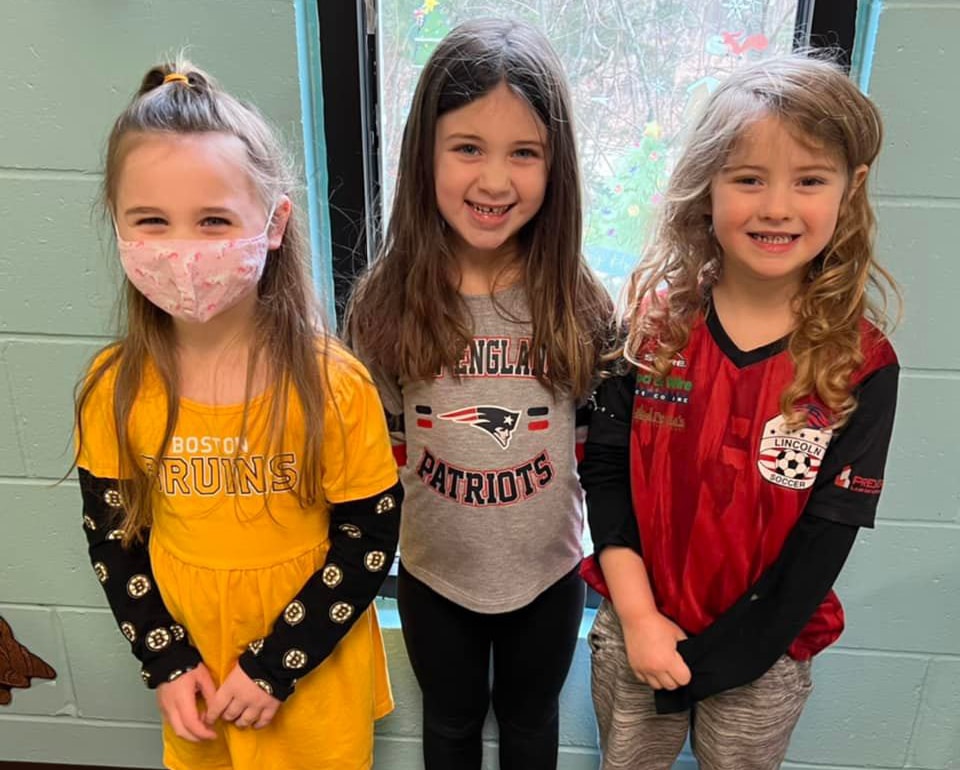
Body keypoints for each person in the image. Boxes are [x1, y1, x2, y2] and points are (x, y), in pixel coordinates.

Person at [73, 60, 402, 770]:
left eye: (214, 220)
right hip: (196, 680)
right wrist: (163, 658)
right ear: (120, 228)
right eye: (152, 222)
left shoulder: (332, 387)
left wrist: (275, 666)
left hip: (308, 680)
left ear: (273, 223)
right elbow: (112, 542)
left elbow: (369, 539)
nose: (184, 249)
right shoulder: (116, 389)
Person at [579, 54, 900, 770]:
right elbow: (604, 475)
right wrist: (639, 620)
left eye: (809, 180)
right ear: (706, 190)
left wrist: (721, 660)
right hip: (639, 632)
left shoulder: (864, 367)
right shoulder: (647, 330)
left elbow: (826, 536)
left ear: (851, 191)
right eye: (748, 178)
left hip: (766, 653)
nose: (777, 207)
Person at [345, 18, 614, 770]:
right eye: (468, 148)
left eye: (523, 153)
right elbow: (384, 456)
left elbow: (593, 454)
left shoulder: (581, 305)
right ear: (423, 154)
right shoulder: (384, 305)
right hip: (434, 577)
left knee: (531, 728)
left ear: (554, 166)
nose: (495, 181)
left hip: (548, 575)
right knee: (453, 727)